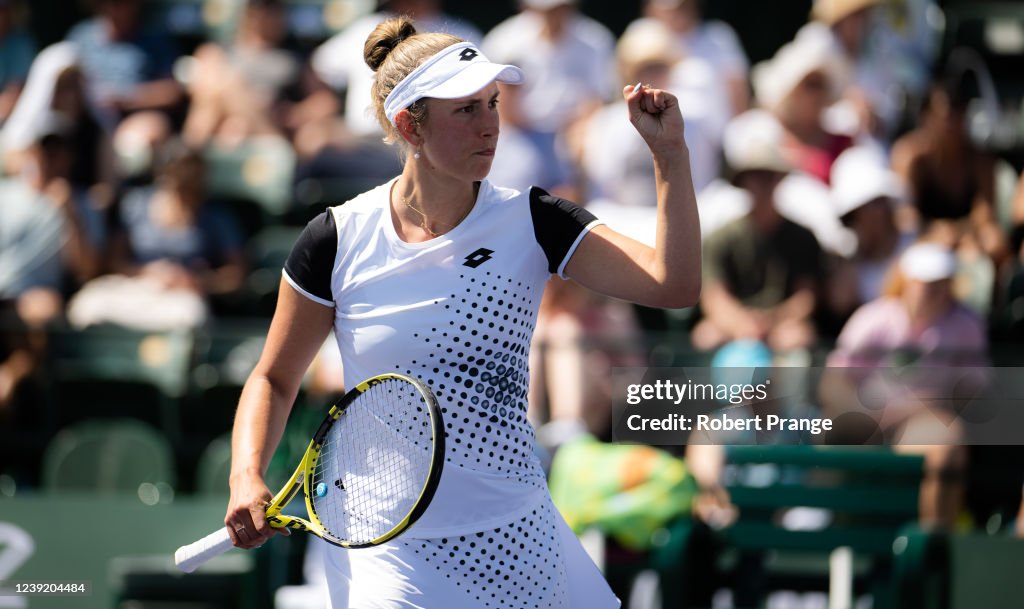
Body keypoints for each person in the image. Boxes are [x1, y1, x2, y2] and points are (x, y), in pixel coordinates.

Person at [223, 16, 700, 608]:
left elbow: (673, 283)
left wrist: (670, 157)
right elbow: (274, 376)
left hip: (518, 528)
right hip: (385, 544)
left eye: (492, 104)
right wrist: (246, 472)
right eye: (466, 110)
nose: (491, 126)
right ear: (409, 127)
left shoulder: (535, 219)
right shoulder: (336, 239)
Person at [822, 241, 988, 527]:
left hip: (924, 421)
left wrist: (926, 405)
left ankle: (934, 540)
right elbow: (833, 382)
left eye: (942, 282)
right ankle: (827, 524)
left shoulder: (966, 325)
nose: (936, 291)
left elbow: (974, 391)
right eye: (927, 283)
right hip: (866, 418)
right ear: (906, 282)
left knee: (946, 447)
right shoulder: (873, 318)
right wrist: (864, 413)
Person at [692, 110, 822, 353]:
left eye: (769, 176)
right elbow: (714, 297)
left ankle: (789, 392)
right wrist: (742, 324)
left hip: (782, 325)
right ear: (743, 182)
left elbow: (806, 298)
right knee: (706, 336)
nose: (763, 185)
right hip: (735, 323)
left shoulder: (803, 237)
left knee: (798, 339)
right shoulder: (722, 237)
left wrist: (772, 322)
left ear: (779, 180)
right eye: (755, 177)